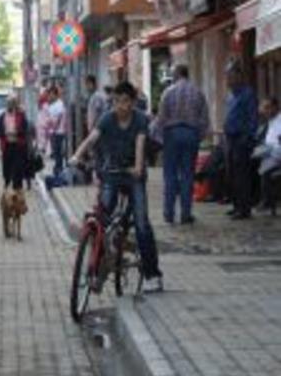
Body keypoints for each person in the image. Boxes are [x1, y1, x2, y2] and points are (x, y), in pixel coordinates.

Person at [69, 82, 164, 293]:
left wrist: (138, 167)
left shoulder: (140, 119)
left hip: (133, 176)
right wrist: (77, 155)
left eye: (127, 101)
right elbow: (92, 138)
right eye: (118, 101)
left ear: (133, 102)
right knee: (102, 217)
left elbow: (140, 144)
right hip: (111, 173)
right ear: (113, 102)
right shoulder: (107, 118)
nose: (123, 106)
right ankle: (98, 270)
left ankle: (152, 274)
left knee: (141, 223)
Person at [154, 65, 210, 224]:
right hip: (191, 134)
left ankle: (169, 214)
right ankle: (186, 214)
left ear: (178, 74)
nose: (172, 77)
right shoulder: (198, 92)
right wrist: (198, 137)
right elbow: (204, 119)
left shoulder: (168, 92)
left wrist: (160, 140)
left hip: (172, 134)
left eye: (173, 74)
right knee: (188, 175)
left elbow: (161, 118)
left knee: (170, 175)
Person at [224, 64, 259, 220]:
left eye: (231, 77)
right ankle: (237, 205)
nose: (228, 80)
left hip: (241, 140)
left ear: (239, 77)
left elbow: (252, 119)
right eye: (227, 77)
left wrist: (248, 138)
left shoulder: (247, 94)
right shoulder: (231, 95)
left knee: (242, 176)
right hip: (230, 139)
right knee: (232, 174)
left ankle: (244, 209)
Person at [0, 96, 30, 190]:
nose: (9, 105)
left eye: (11, 103)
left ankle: (17, 186)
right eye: (8, 103)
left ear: (15, 104)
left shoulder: (21, 115)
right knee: (6, 166)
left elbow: (25, 129)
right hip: (6, 145)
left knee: (18, 167)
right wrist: (5, 133)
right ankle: (7, 181)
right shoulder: (2, 117)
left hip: (18, 145)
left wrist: (16, 133)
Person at [255, 98, 281, 215]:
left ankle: (267, 201)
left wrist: (267, 150)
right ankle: (253, 198)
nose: (265, 111)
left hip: (277, 154)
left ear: (275, 107)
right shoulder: (269, 121)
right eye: (264, 108)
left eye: (268, 107)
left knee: (265, 168)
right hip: (268, 152)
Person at [47, 85, 68, 177]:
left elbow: (59, 118)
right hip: (54, 132)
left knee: (58, 153)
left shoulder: (59, 104)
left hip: (58, 132)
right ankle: (57, 169)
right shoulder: (53, 104)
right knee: (56, 153)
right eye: (49, 94)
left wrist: (54, 129)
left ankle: (58, 170)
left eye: (51, 94)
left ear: (55, 94)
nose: (50, 96)